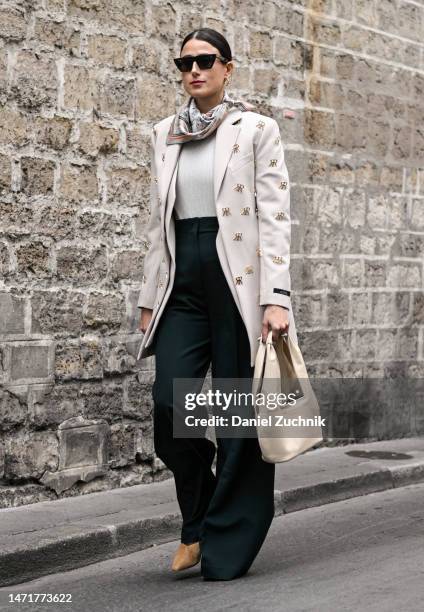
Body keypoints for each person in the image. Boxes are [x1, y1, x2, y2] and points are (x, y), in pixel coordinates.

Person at [136, 27, 298, 581]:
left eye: (206, 60)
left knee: (234, 418)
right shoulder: (163, 133)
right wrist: (148, 293)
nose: (194, 69)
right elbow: (158, 222)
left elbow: (274, 216)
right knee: (168, 407)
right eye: (184, 62)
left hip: (239, 283)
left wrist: (276, 298)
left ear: (227, 68)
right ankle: (199, 512)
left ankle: (223, 540)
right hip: (183, 284)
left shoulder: (256, 130)